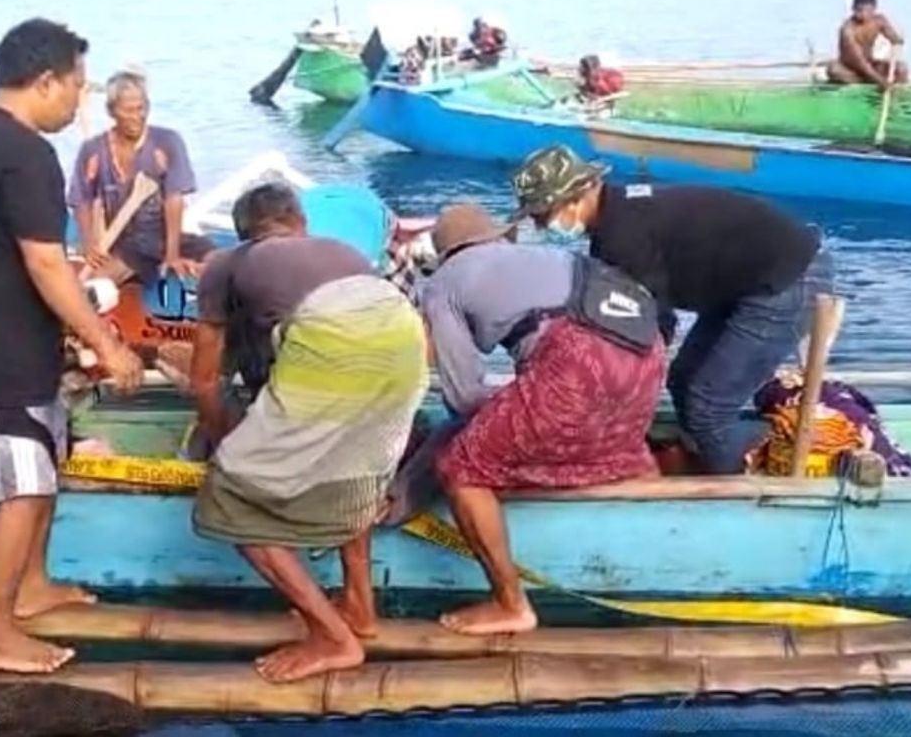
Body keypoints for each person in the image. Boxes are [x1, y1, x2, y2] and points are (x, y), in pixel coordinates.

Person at [0, 18, 144, 675]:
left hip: (11, 339)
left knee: (44, 467)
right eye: (76, 86)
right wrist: (107, 344)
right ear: (44, 80)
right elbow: (46, 264)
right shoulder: (23, 150)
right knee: (19, 488)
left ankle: (31, 585)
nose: (79, 100)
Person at [188, 182, 428, 683]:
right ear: (300, 222)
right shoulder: (343, 251)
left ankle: (332, 637)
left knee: (231, 504)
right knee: (355, 474)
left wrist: (220, 446)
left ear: (243, 234)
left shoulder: (226, 264)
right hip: (408, 346)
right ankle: (360, 609)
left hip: (332, 345)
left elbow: (206, 378)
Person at [511, 145, 834, 476]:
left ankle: (751, 481)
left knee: (707, 409)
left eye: (542, 215)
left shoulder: (623, 236)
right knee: (683, 381)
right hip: (744, 282)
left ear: (576, 196)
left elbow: (654, 324)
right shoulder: (619, 213)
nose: (542, 225)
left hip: (788, 280)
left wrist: (612, 391)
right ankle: (711, 459)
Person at [418, 203, 665, 635]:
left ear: (447, 255)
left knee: (462, 465)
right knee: (618, 447)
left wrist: (496, 424)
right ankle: (657, 556)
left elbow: (462, 397)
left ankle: (511, 604)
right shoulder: (551, 257)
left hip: (576, 361)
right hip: (648, 352)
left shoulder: (442, 286)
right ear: (499, 238)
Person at [68, 70, 212, 286]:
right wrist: (89, 244)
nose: (137, 117)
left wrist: (171, 254)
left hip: (165, 238)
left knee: (218, 261)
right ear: (112, 111)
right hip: (126, 246)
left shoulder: (167, 142)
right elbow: (82, 200)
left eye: (141, 108)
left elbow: (174, 198)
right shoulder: (94, 151)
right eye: (128, 111)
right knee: (97, 283)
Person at [826, 0, 908, 87]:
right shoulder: (847, 30)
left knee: (901, 68)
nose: (863, 14)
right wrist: (879, 80)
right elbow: (859, 62)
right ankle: (867, 85)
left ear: (874, 9)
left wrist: (897, 40)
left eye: (868, 10)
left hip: (870, 63)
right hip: (851, 68)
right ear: (853, 8)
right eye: (859, 10)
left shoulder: (879, 20)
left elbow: (894, 38)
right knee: (834, 70)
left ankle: (896, 93)